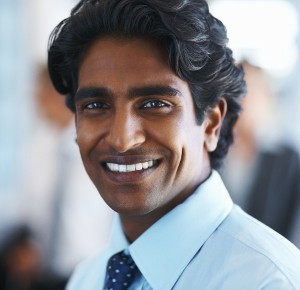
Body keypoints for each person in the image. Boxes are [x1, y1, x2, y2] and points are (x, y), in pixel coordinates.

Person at [47, 0, 300, 289]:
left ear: (212, 123)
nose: (122, 139)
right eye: (95, 105)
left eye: (155, 104)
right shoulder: (86, 279)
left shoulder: (267, 281)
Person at [19, 65, 114, 285]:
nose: (35, 101)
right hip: (45, 274)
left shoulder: (101, 149)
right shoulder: (41, 146)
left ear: (58, 95)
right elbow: (35, 211)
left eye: (39, 92)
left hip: (91, 274)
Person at [220, 60, 300, 245]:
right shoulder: (215, 152)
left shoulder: (287, 158)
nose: (244, 102)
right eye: (238, 93)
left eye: (251, 93)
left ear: (267, 97)